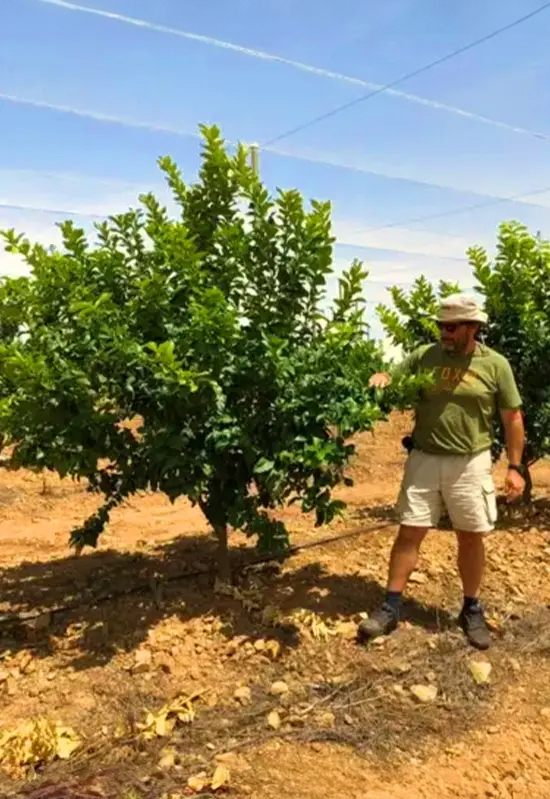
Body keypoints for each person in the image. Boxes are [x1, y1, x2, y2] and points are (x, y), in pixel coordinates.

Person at [359, 293, 525, 650]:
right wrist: (383, 377)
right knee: (410, 531)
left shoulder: (495, 365)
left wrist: (515, 467)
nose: (444, 333)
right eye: (440, 326)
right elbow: (395, 378)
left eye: (451, 327)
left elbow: (512, 418)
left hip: (471, 461)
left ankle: (471, 608)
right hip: (424, 458)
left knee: (470, 534)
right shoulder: (425, 356)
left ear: (473, 328)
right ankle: (390, 606)